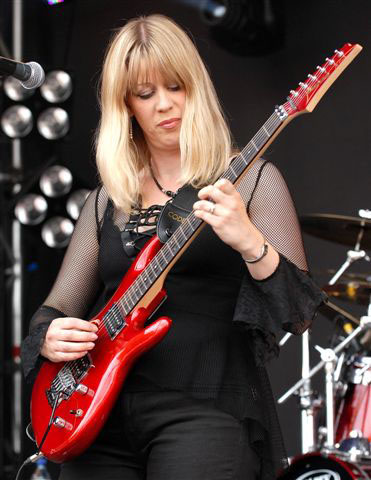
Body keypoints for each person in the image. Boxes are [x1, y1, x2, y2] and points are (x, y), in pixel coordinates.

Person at [21, 14, 324, 480]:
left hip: (205, 408)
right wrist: (50, 336)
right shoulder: (108, 199)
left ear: (196, 88)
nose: (165, 105)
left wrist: (248, 241)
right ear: (126, 107)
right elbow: (56, 306)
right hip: (98, 412)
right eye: (145, 94)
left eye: (176, 87)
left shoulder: (252, 180)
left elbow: (298, 313)